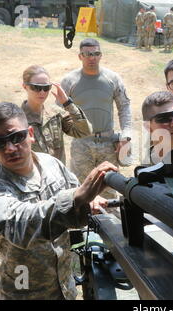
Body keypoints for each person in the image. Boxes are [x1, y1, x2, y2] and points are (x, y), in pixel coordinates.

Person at [0, 102, 118, 299]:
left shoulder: (51, 164)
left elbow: (74, 191)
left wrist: (88, 202)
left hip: (64, 289)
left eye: (17, 137)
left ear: (30, 133)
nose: (10, 148)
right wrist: (74, 200)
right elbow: (17, 224)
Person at [60, 38, 132, 209]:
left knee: (109, 188)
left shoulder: (112, 78)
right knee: (80, 189)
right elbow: (59, 110)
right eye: (88, 54)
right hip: (81, 144)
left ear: (101, 55)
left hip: (108, 143)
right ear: (80, 56)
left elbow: (124, 107)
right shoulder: (69, 80)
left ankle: (112, 231)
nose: (92, 58)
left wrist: (126, 134)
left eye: (96, 54)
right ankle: (83, 230)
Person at [21, 65, 92, 165]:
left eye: (46, 88)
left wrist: (67, 103)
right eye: (36, 87)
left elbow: (84, 131)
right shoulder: (18, 120)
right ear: (25, 86)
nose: (42, 92)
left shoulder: (56, 114)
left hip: (58, 177)